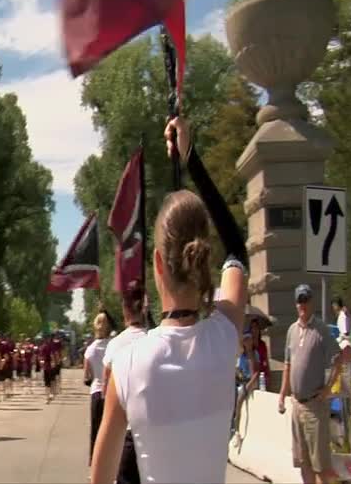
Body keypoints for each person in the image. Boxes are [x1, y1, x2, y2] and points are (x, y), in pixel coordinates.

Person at [91, 117, 248, 484]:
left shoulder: (127, 364)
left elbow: (99, 478)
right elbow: (237, 249)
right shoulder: (225, 337)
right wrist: (190, 156)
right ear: (203, 257)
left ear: (157, 263)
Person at [278, 284, 351, 484]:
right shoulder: (292, 331)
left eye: (305, 300)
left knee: (320, 464)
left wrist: (328, 389)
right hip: (297, 405)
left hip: (314, 405)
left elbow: (339, 359)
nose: (302, 304)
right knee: (303, 462)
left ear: (311, 303)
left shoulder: (321, 330)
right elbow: (287, 364)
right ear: (296, 304)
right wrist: (282, 395)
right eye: (299, 300)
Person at [101, 288, 147, 484]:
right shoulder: (153, 338)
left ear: (124, 310)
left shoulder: (115, 344)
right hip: (150, 432)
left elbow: (106, 391)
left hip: (127, 433)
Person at [84, 311, 111, 466]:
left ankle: (94, 462)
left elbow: (87, 375)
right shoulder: (114, 345)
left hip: (96, 391)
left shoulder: (90, 349)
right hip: (111, 393)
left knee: (96, 429)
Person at [250, 318, 270, 389]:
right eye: (252, 328)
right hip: (252, 378)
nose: (254, 330)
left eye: (256, 327)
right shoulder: (248, 345)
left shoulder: (262, 344)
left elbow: (266, 361)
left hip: (262, 377)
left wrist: (268, 375)